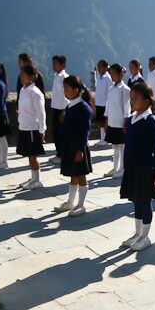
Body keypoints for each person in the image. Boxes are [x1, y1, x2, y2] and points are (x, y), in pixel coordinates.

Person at [119, 82, 155, 251]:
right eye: (131, 98)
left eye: (136, 98)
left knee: (144, 201)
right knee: (136, 200)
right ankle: (137, 233)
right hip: (133, 167)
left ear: (147, 100)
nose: (132, 101)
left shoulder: (151, 121)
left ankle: (145, 236)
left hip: (146, 168)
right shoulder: (132, 120)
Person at [54, 75, 94, 217]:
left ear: (76, 90)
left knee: (81, 175)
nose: (65, 92)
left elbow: (85, 131)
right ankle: (70, 201)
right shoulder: (70, 105)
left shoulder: (83, 108)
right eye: (64, 89)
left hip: (78, 146)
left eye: (67, 89)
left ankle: (81, 204)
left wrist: (80, 150)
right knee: (73, 174)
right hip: (69, 145)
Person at [15, 64, 47, 190]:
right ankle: (33, 178)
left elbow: (41, 112)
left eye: (23, 75)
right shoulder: (23, 90)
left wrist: (42, 130)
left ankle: (37, 180)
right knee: (29, 154)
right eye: (21, 75)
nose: (21, 77)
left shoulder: (35, 93)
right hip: (24, 127)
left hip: (32, 128)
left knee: (33, 155)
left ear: (32, 77)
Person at [103, 63, 131, 177]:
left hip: (120, 121)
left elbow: (126, 107)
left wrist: (125, 122)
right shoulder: (111, 88)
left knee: (122, 146)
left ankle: (122, 168)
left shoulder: (125, 89)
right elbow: (108, 105)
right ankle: (115, 168)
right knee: (115, 146)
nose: (113, 76)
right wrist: (106, 120)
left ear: (121, 75)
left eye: (114, 74)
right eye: (111, 74)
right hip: (112, 121)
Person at [48, 55, 68, 164]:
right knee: (55, 132)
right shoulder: (56, 76)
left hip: (61, 109)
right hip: (55, 107)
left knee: (61, 133)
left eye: (56, 63)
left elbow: (65, 95)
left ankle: (62, 154)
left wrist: (64, 110)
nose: (54, 65)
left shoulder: (64, 78)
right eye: (53, 63)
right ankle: (58, 153)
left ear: (63, 65)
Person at [95, 59, 112, 145]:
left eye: (100, 67)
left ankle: (106, 139)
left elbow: (109, 92)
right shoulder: (99, 77)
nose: (98, 68)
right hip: (99, 102)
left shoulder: (108, 78)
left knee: (105, 122)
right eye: (98, 67)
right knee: (100, 122)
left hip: (104, 103)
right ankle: (102, 138)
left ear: (105, 67)